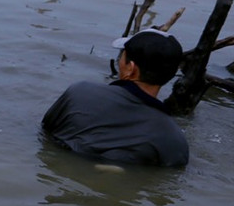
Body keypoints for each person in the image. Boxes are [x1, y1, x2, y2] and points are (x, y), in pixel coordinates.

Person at [41, 30, 190, 167]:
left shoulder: (79, 92)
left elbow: (44, 133)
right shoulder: (174, 139)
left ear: (131, 68)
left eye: (122, 56)